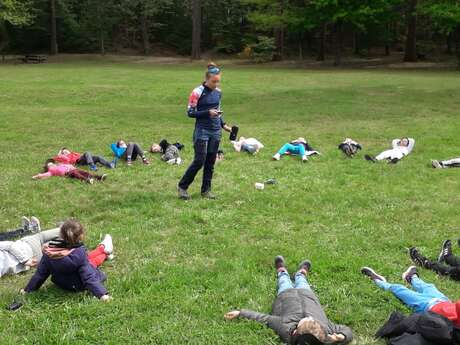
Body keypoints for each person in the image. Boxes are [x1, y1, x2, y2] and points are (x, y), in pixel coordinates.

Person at [225, 256, 353, 345]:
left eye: (307, 321)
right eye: (313, 321)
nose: (310, 318)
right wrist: (342, 336)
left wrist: (240, 313)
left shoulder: (284, 327)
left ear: (296, 331)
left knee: (284, 281)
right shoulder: (327, 328)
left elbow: (263, 318)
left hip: (285, 296)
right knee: (302, 281)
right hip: (307, 295)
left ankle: (282, 271)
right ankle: (301, 273)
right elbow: (346, 330)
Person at [22, 220, 113, 301]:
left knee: (89, 259)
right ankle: (104, 250)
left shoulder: (48, 253)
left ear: (60, 234)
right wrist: (102, 295)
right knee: (92, 262)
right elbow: (88, 277)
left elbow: (40, 275)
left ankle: (104, 250)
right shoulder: (79, 254)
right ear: (81, 236)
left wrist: (27, 290)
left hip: (63, 284)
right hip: (79, 286)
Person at [178, 62, 231, 200]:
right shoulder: (197, 92)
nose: (216, 85)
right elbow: (190, 113)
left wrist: (223, 124)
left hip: (215, 131)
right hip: (202, 130)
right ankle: (182, 187)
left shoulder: (218, 93)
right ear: (207, 79)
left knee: (210, 162)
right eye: (214, 81)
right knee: (199, 160)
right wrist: (208, 113)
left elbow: (217, 110)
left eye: (218, 82)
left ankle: (206, 191)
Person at [361, 266, 460, 326]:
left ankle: (378, 281)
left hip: (427, 307)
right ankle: (411, 277)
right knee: (428, 287)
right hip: (444, 302)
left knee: (400, 290)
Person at [32, 159, 107, 184]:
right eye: (50, 165)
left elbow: (67, 162)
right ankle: (86, 180)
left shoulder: (60, 164)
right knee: (76, 173)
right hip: (68, 173)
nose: (52, 165)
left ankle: (98, 177)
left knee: (85, 172)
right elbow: (45, 175)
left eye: (52, 163)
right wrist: (36, 176)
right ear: (48, 167)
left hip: (73, 169)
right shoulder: (51, 171)